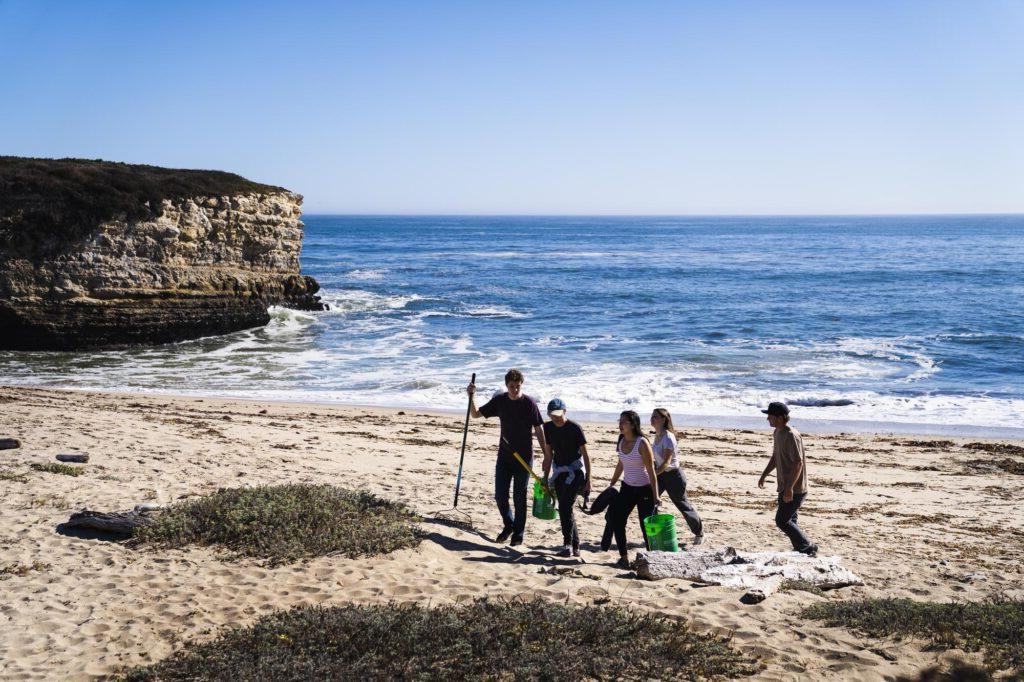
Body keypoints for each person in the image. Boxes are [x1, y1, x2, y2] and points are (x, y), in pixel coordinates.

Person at [468, 368, 549, 546]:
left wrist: (546, 455)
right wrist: (471, 396)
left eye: (517, 387)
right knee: (499, 496)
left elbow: (539, 430)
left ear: (522, 385)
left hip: (524, 458)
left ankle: (518, 535)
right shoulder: (500, 401)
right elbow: (475, 415)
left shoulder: (529, 403)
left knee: (519, 497)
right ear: (506, 386)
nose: (514, 390)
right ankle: (509, 524)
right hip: (504, 457)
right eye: (511, 386)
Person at [757, 401, 818, 556]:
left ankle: (808, 546)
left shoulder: (791, 435)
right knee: (791, 520)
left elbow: (798, 463)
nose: (767, 419)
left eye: (769, 416)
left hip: (796, 489)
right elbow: (775, 457)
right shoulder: (777, 432)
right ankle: (801, 549)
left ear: (779, 417)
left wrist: (790, 488)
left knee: (782, 521)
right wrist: (764, 474)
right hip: (785, 486)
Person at [606, 410, 660, 569]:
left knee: (646, 527)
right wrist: (612, 483)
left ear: (633, 424)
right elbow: (621, 463)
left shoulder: (642, 443)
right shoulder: (621, 440)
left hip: (644, 490)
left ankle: (652, 561)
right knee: (617, 520)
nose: (620, 424)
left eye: (624, 422)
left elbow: (651, 471)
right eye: (620, 421)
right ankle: (624, 558)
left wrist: (656, 496)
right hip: (627, 488)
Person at [540, 398, 591, 559]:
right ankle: (575, 546)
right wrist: (545, 478)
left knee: (564, 508)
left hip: (575, 474)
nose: (554, 418)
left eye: (557, 414)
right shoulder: (547, 427)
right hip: (559, 474)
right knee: (565, 509)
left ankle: (567, 545)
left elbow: (586, 456)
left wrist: (589, 480)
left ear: (564, 411)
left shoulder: (575, 428)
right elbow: (548, 455)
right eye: (551, 415)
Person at [650, 408, 704, 545]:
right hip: (661, 475)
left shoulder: (668, 437)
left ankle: (699, 532)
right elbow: (657, 459)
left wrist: (653, 474)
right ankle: (657, 533)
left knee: (682, 505)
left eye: (656, 417)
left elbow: (667, 461)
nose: (652, 418)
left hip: (674, 476)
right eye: (652, 416)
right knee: (650, 500)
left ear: (664, 420)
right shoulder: (657, 435)